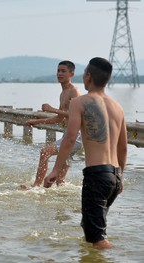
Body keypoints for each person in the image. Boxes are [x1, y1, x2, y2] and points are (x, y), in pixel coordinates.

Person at [44, 57, 127, 249]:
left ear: (88, 76)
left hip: (97, 176)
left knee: (98, 239)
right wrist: (121, 177)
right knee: (90, 229)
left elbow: (70, 138)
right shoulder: (118, 107)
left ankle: (119, 257)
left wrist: (56, 170)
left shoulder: (80, 102)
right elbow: (122, 148)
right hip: (114, 176)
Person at [22, 61, 82, 189]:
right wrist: (37, 122)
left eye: (63, 71)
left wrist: (51, 109)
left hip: (75, 136)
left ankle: (36, 186)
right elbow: (60, 118)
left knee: (45, 152)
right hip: (69, 134)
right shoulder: (63, 92)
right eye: (58, 70)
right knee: (60, 183)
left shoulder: (74, 91)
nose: (59, 73)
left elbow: (75, 115)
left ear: (71, 74)